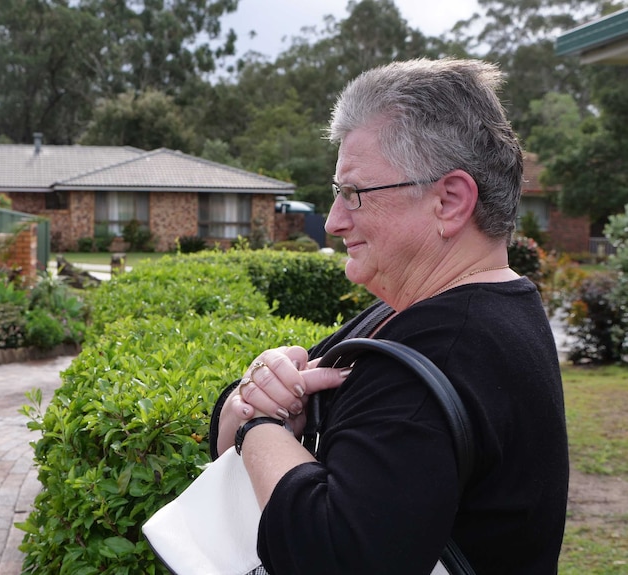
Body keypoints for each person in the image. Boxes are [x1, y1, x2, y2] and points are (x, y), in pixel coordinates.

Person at [209, 58, 568, 574]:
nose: (333, 221)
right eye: (337, 193)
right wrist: (252, 395)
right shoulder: (447, 314)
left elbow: (335, 556)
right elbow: (247, 408)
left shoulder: (438, 350)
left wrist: (260, 427)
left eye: (355, 193)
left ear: (450, 200)